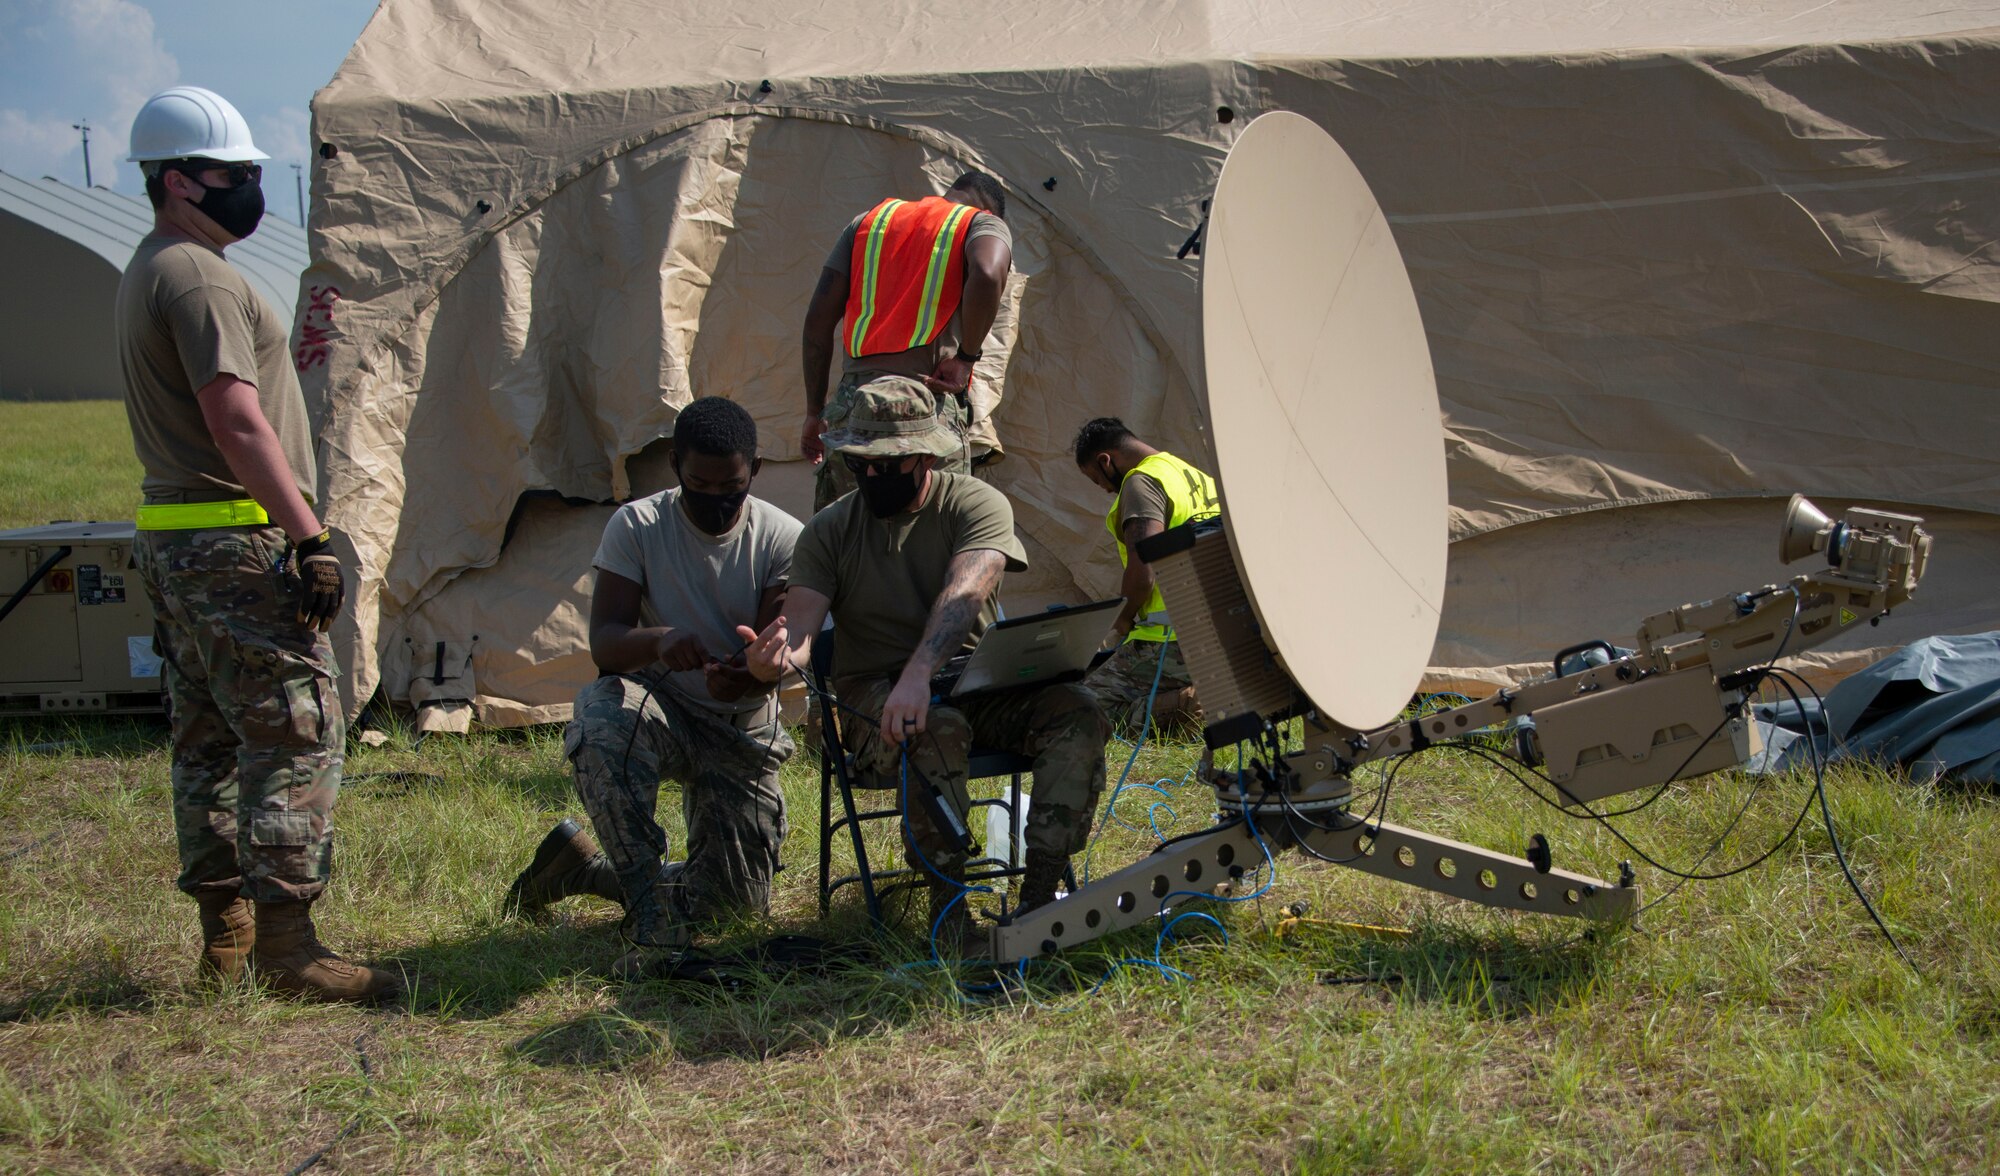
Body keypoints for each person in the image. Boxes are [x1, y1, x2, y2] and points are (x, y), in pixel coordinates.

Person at [116, 86, 392, 1001]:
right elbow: (237, 422)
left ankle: (227, 937)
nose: (250, 189)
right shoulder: (195, 277)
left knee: (206, 741)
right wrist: (308, 535)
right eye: (234, 174)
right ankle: (286, 946)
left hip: (180, 542)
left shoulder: (151, 268)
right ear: (179, 181)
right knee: (295, 732)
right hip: (234, 544)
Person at [748, 382, 1111, 939]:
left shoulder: (973, 502)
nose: (871, 478)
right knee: (933, 728)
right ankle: (950, 917)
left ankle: (1040, 902)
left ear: (923, 457)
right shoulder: (828, 532)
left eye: (887, 465)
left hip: (978, 681)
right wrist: (768, 660)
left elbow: (969, 587)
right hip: (876, 692)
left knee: (1078, 711)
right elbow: (797, 632)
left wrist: (920, 672)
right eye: (860, 463)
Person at [505, 397, 802, 977]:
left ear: (756, 472)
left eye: (732, 488)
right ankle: (649, 914)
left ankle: (582, 870)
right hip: (659, 707)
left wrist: (751, 671)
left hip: (740, 729)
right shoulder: (637, 525)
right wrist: (661, 639)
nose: (717, 501)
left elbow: (779, 643)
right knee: (602, 721)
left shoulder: (782, 537)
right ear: (674, 465)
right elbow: (606, 642)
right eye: (699, 484)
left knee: (732, 907)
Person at [799, 171, 1013, 512]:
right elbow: (988, 273)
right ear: (991, 210)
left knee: (844, 537)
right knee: (931, 537)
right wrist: (966, 358)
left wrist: (814, 411)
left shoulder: (869, 222)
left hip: (854, 410)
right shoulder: (981, 223)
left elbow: (816, 324)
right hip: (927, 405)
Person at [1071, 418, 1220, 735]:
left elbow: (1144, 569)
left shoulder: (1141, 483)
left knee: (1078, 711)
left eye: (1099, 481)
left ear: (1105, 461)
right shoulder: (1195, 477)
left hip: (1169, 640)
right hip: (1219, 633)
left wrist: (1122, 619)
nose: (1108, 489)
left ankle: (1196, 707)